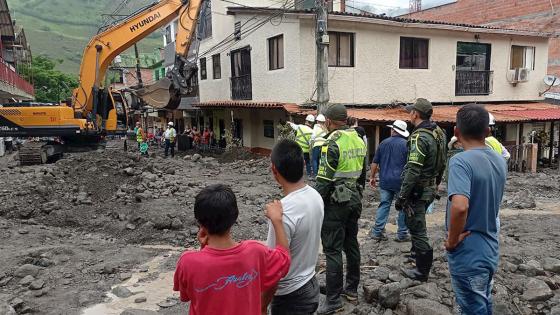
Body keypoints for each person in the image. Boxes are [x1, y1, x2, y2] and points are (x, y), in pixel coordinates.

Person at [173, 184, 291, 315]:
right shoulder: (255, 251)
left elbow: (187, 296)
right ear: (235, 216)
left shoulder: (187, 262)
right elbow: (284, 259)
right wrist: (277, 220)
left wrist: (204, 248)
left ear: (199, 222)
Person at [445, 104, 507, 314]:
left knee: (473, 307)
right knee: (483, 301)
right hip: (489, 247)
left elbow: (460, 207)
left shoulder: (460, 162)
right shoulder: (499, 159)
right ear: (488, 132)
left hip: (468, 251)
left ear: (456, 132)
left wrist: (452, 241)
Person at [315, 104, 367, 315]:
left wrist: (315, 204)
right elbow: (362, 173)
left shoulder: (331, 143)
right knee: (351, 243)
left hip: (336, 203)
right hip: (354, 199)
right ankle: (351, 289)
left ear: (328, 121)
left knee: (333, 249)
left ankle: (334, 299)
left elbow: (324, 181)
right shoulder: (358, 138)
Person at [262, 139, 324, 315]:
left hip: (290, 296)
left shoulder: (281, 214)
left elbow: (275, 268)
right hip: (311, 283)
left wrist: (261, 305)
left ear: (274, 170)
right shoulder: (315, 195)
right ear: (304, 164)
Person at [396, 98, 446, 282]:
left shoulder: (419, 137)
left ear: (415, 114)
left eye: (410, 112)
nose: (409, 114)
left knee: (418, 228)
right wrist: (436, 182)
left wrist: (402, 195)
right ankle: (417, 256)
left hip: (418, 189)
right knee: (417, 223)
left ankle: (422, 271)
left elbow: (413, 169)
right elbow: (443, 161)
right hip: (430, 187)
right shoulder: (438, 132)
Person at [369, 120, 410, 242]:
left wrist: (372, 177)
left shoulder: (383, 143)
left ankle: (377, 231)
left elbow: (374, 162)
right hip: (401, 182)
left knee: (384, 205)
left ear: (393, 130)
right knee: (403, 206)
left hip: (385, 180)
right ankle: (402, 234)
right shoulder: (406, 145)